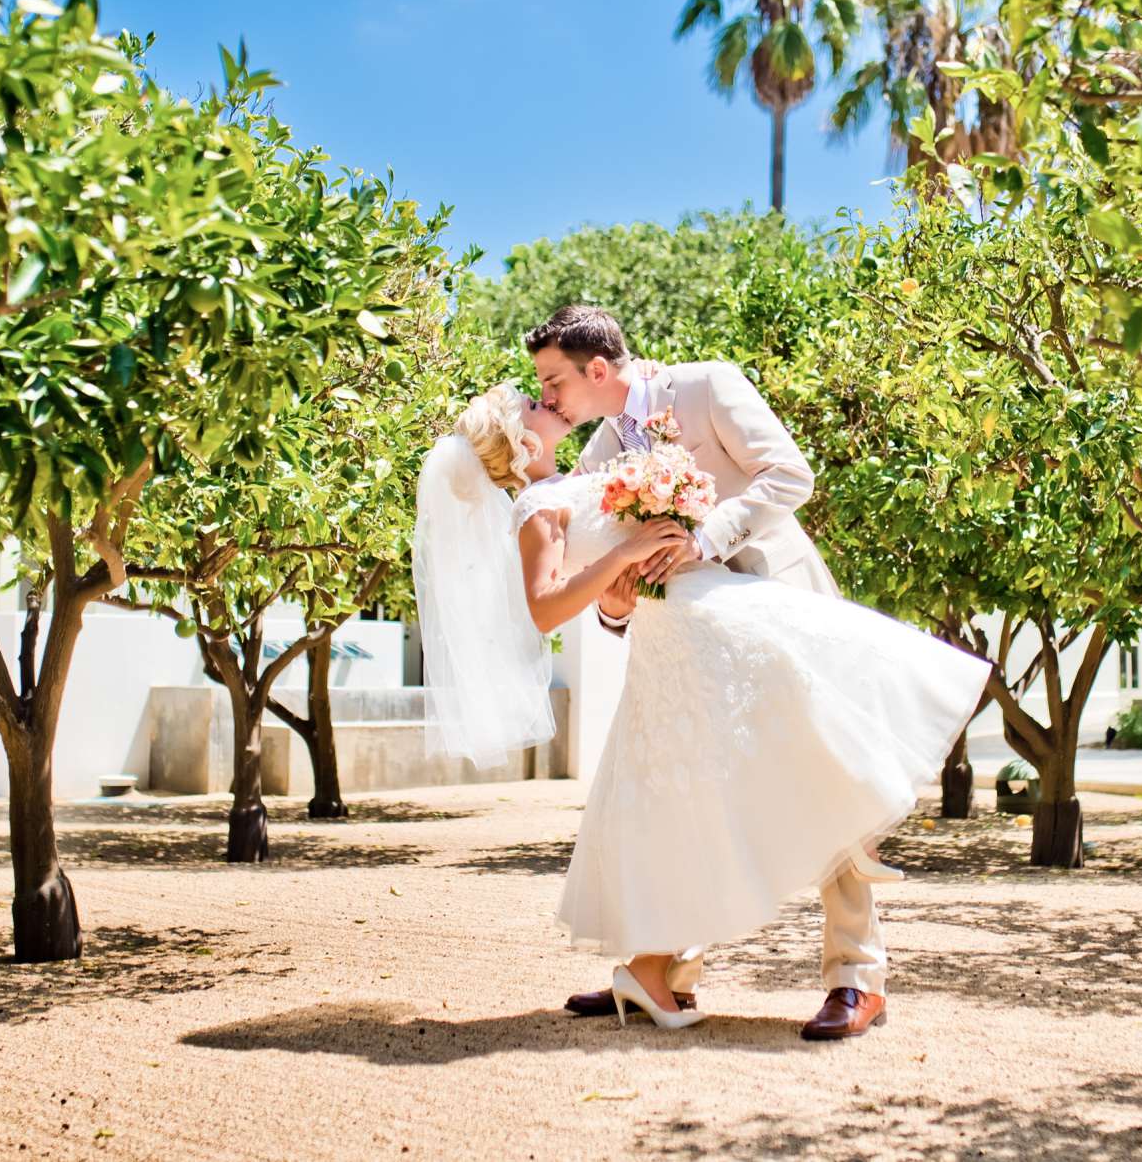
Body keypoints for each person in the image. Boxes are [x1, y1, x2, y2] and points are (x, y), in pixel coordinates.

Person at [414, 306, 989, 1041]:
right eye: (541, 391)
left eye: (555, 381)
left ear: (597, 370)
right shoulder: (594, 455)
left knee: (827, 773)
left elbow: (790, 475)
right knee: (697, 794)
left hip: (777, 599)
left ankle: (855, 977)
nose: (549, 398)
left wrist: (704, 539)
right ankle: (664, 970)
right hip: (691, 640)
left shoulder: (708, 386)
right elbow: (595, 568)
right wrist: (618, 607)